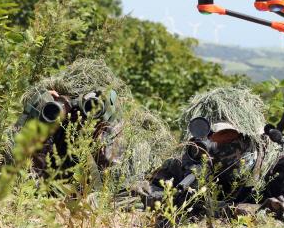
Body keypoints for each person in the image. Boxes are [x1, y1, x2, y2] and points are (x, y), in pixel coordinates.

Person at [136, 86, 284, 226]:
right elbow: (140, 191)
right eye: (203, 133)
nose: (210, 142)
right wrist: (162, 198)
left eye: (221, 132)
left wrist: (220, 211)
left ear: (247, 135)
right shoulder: (194, 155)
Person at [13, 58, 173, 188]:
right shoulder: (48, 104)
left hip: (86, 176)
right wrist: (42, 105)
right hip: (52, 173)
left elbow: (113, 172)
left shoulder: (112, 127)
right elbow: (19, 151)